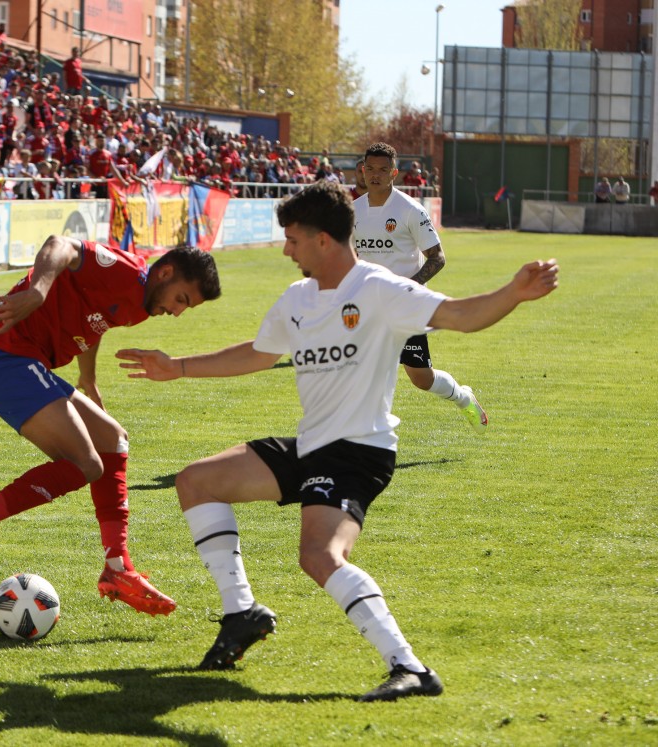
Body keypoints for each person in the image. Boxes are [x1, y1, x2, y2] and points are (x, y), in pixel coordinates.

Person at [116, 180, 559, 700]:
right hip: (312, 446)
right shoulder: (298, 298)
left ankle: (410, 667)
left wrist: (514, 292)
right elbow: (259, 353)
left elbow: (459, 315)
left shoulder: (378, 289)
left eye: (293, 240)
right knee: (196, 482)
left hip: (358, 451)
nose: (286, 250)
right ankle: (241, 614)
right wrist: (180, 368)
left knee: (320, 555)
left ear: (323, 239)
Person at [0, 237, 222, 616]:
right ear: (165, 273)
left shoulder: (141, 306)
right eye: (182, 299)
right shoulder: (126, 271)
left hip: (23, 362)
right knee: (86, 464)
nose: (178, 312)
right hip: (2, 358)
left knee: (112, 439)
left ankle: (118, 568)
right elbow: (62, 245)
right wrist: (38, 289)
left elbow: (94, 323)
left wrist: (88, 379)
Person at [354, 143, 487, 432]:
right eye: (370, 169)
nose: (375, 175)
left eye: (383, 169)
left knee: (421, 379)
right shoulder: (353, 212)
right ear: (362, 170)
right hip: (369, 306)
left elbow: (438, 258)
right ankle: (361, 436)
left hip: (405, 306)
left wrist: (406, 289)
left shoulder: (409, 210)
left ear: (394, 173)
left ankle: (463, 397)